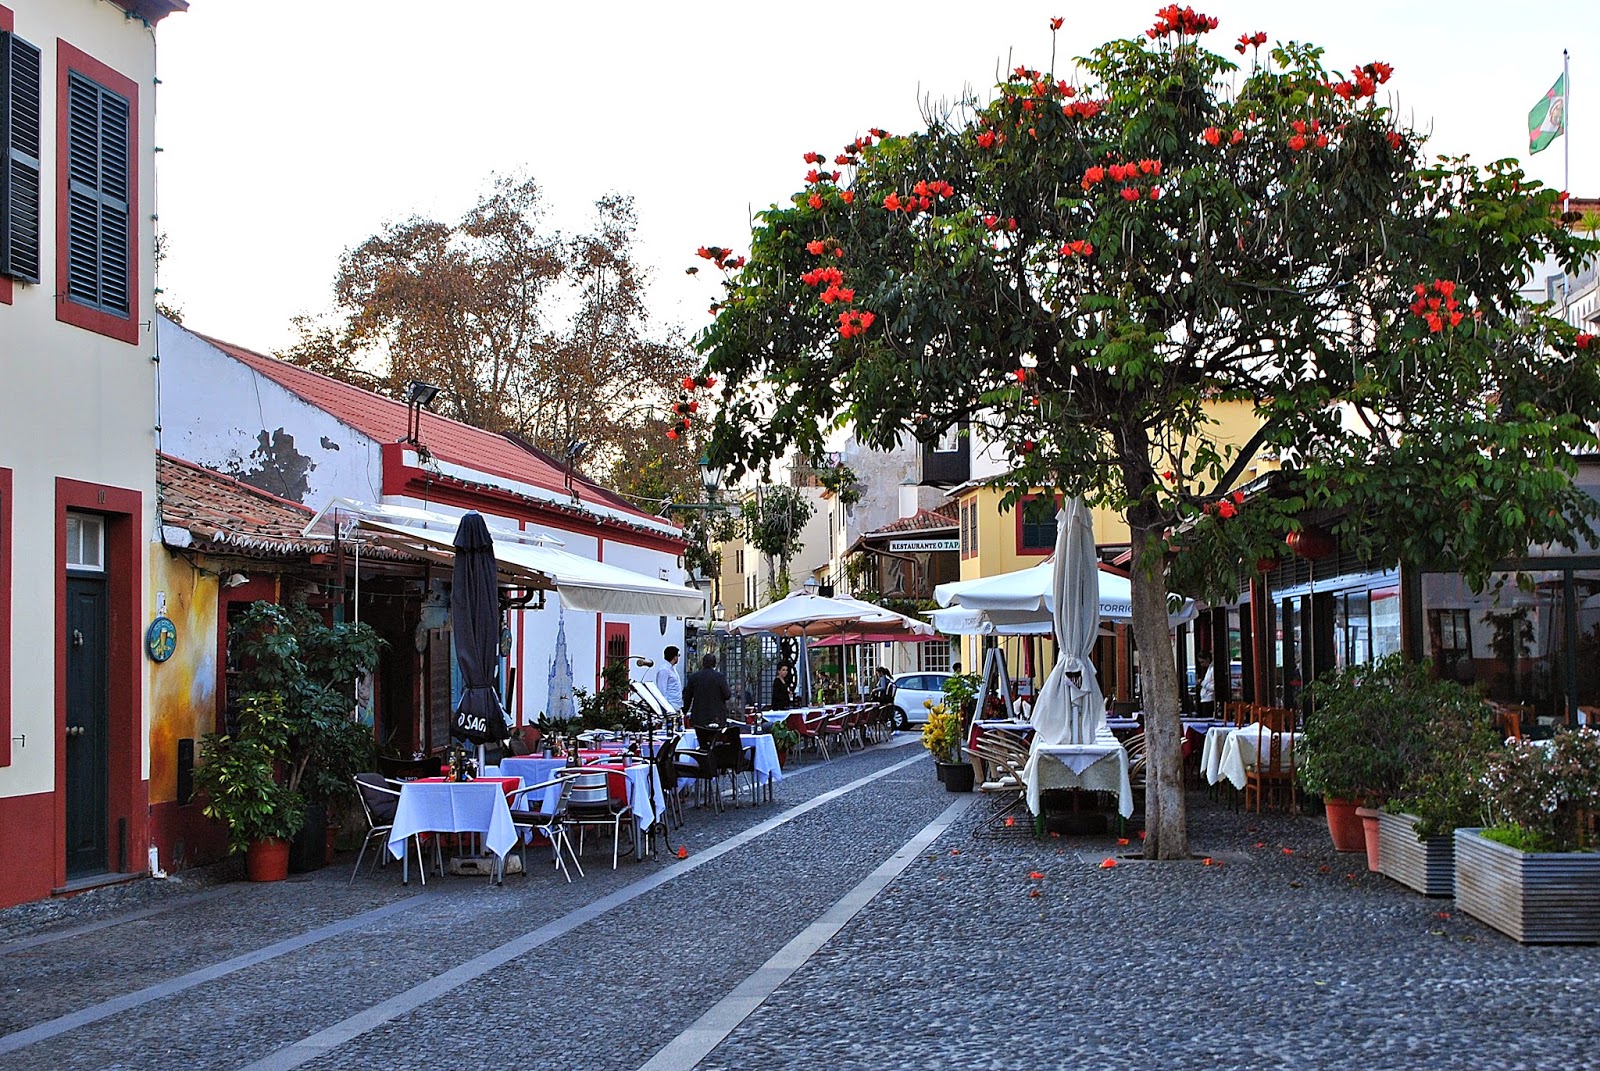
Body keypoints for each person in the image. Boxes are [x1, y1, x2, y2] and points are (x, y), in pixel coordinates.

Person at [683, 652, 732, 732]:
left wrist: (684, 711)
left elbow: (687, 697)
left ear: (703, 663)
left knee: (700, 738)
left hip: (699, 715)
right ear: (714, 664)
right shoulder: (719, 677)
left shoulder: (694, 678)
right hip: (717, 715)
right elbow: (727, 695)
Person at [653, 645, 684, 714]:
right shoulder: (664, 670)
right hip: (670, 706)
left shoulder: (672, 669)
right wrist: (666, 708)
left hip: (677, 705)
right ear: (674, 657)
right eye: (678, 655)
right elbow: (662, 690)